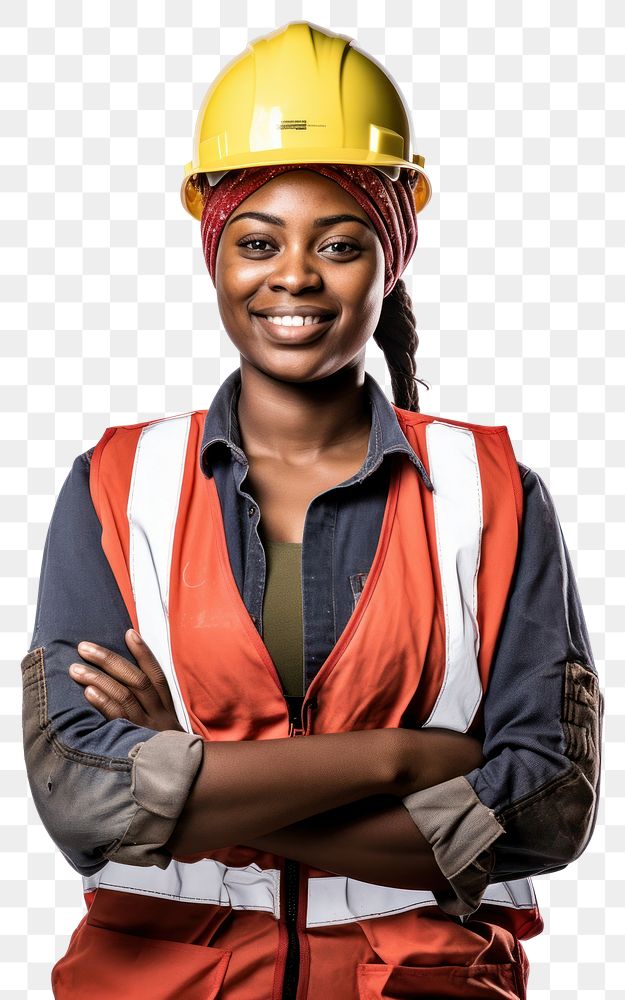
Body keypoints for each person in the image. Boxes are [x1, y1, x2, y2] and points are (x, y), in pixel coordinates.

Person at [21, 21, 603, 1000]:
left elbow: (544, 807)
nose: (293, 275)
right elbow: (86, 798)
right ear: (215, 254)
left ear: (391, 257)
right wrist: (399, 756)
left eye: (339, 243)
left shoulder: (492, 491)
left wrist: (197, 775)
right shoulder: (118, 484)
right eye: (257, 241)